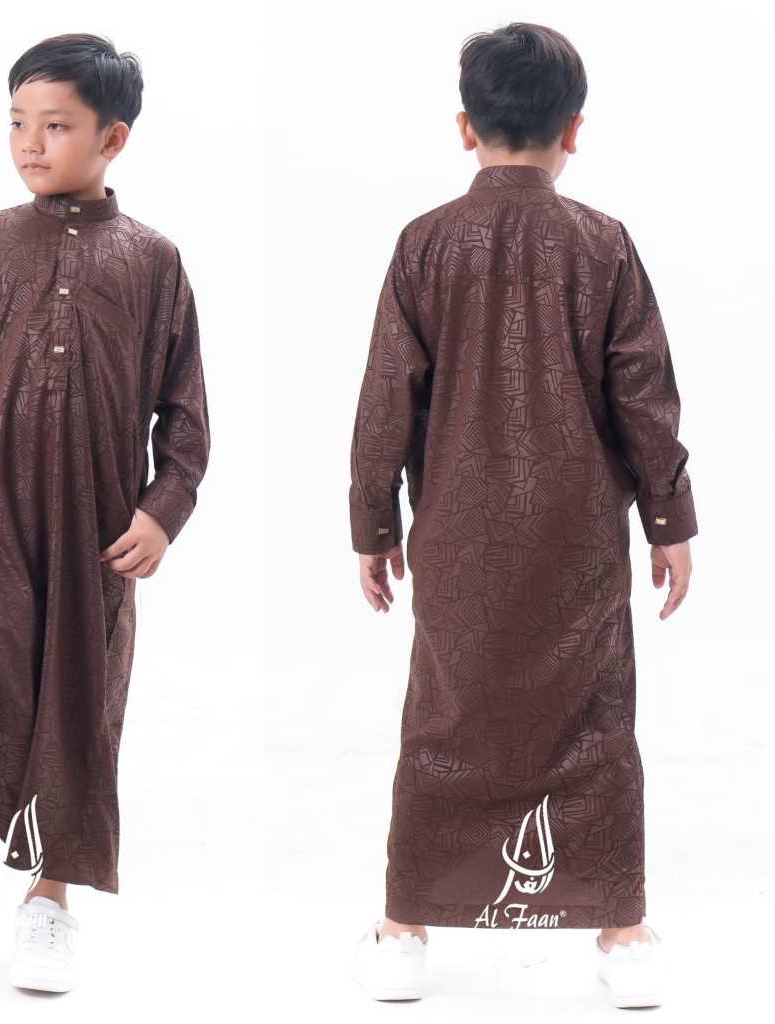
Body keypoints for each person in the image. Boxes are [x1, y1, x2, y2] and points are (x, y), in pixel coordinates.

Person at [348, 22, 695, 1008]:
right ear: (573, 129)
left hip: (456, 536)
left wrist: (372, 525)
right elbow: (644, 397)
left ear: (466, 126)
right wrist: (669, 519)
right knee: (594, 719)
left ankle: (403, 925)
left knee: (443, 716)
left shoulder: (424, 242)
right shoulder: (602, 243)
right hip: (578, 538)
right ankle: (620, 929)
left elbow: (385, 398)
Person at [0, 33, 210, 993]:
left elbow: (185, 412)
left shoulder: (153, 262)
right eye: (17, 123)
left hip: (95, 530)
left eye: (56, 125)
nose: (30, 143)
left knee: (80, 697)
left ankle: (50, 898)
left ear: (113, 138)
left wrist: (162, 511)